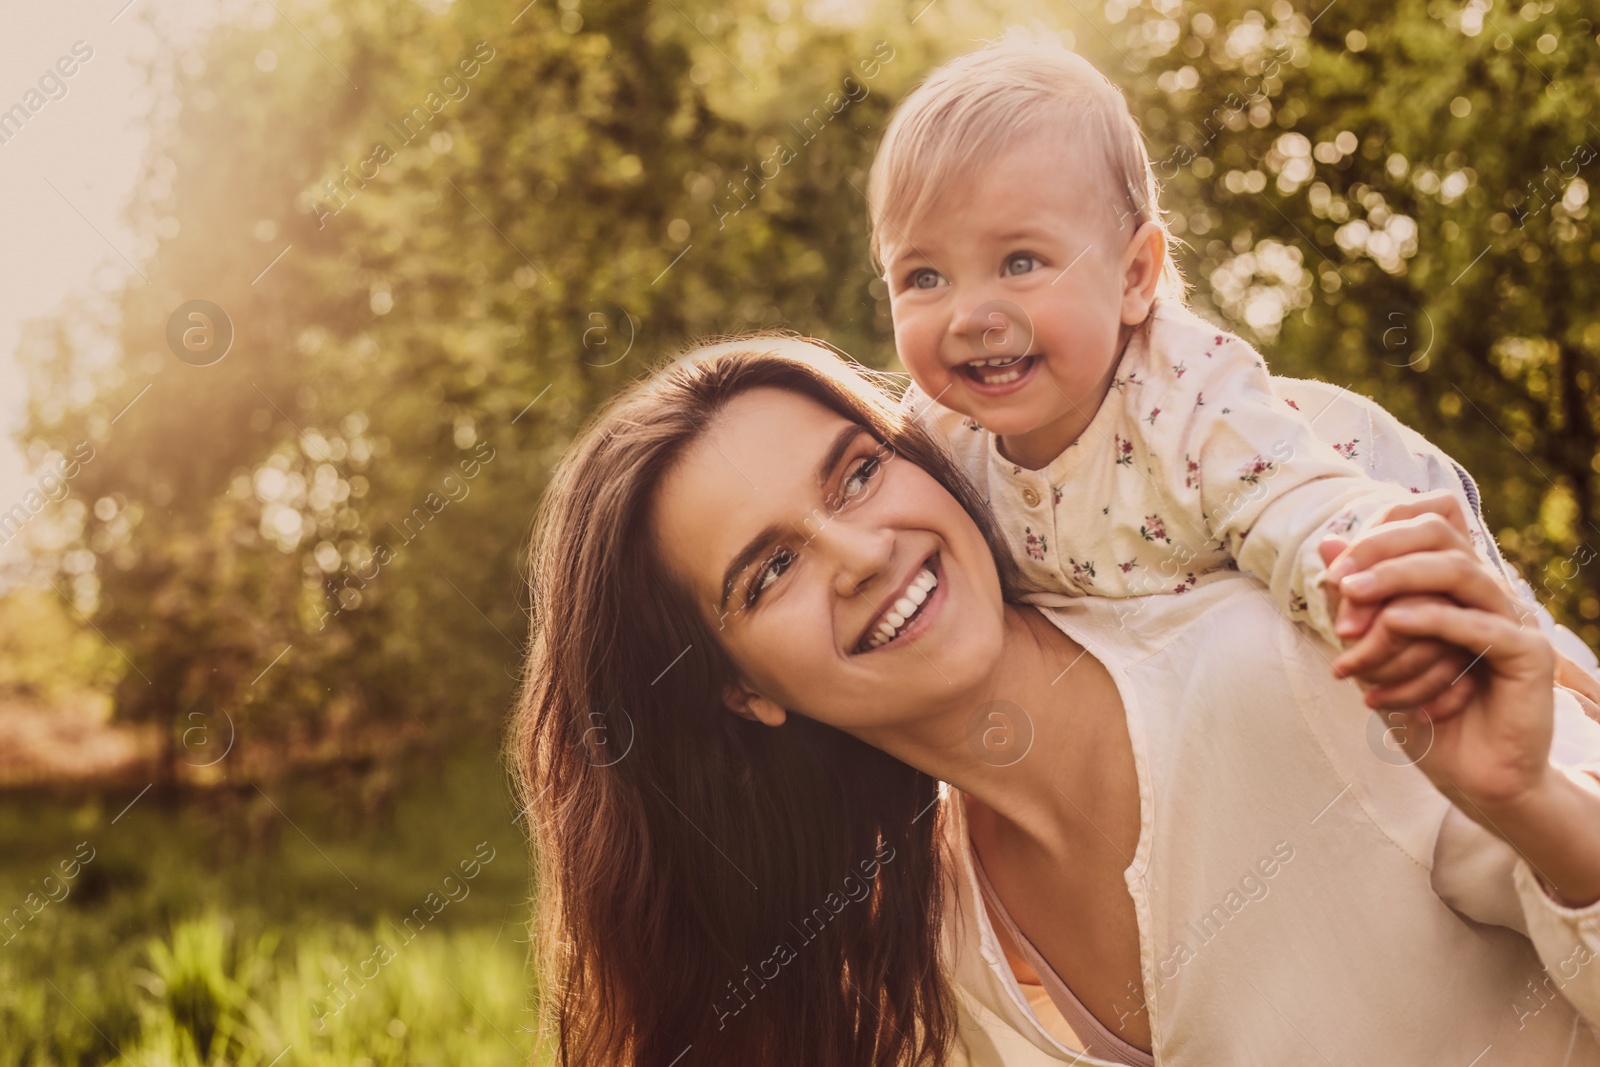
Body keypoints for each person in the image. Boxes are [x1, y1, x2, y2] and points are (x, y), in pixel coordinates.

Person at [510, 336, 1600, 1067]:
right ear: (742, 691)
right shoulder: (937, 945)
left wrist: (1531, 801)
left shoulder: (1282, 656)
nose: (857, 551)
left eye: (852, 473)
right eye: (769, 571)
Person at [866, 36, 1600, 712]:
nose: (969, 315)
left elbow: (1305, 510)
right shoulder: (940, 434)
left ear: (1134, 276)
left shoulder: (1188, 400)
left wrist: (1373, 592)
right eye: (923, 275)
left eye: (1020, 262)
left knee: (1526, 674)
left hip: (1369, 485)